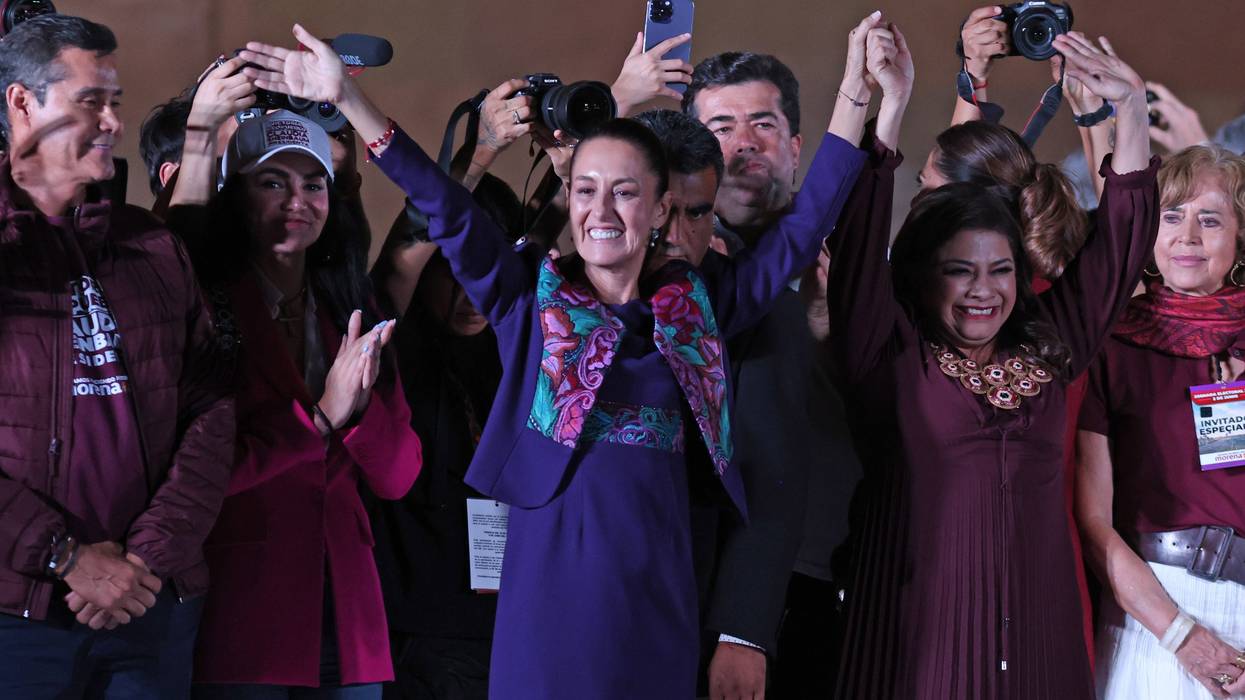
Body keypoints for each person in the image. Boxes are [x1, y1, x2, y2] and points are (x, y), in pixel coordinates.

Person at [236, 17, 870, 697]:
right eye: (586, 188)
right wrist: (350, 103)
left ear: (659, 208)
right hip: (548, 592)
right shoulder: (527, 300)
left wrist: (858, 98)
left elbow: (802, 230)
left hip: (661, 588)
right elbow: (444, 208)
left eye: (624, 191)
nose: (601, 208)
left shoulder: (701, 307)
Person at [827, 31, 1158, 698]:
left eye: (999, 270)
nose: (983, 289)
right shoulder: (890, 350)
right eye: (959, 271)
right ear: (925, 276)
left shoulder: (1049, 341)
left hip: (1040, 638)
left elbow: (1119, 244)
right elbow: (857, 250)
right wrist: (884, 110)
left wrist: (1127, 112)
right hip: (917, 641)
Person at [0, 14, 235, 698]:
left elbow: (211, 408)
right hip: (18, 615)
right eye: (89, 101)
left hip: (149, 608)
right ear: (22, 103)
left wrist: (147, 559)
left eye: (115, 103)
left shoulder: (153, 248)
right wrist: (65, 556)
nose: (110, 123)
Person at [184, 109, 422, 699]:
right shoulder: (203, 312)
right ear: (234, 194)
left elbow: (397, 479)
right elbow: (199, 474)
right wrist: (320, 418)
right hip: (244, 613)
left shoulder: (349, 308)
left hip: (349, 617)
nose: (297, 200)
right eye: (273, 182)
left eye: (313, 184)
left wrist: (359, 409)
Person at [681, 35, 891, 696]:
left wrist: (832, 337)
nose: (742, 142)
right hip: (692, 578)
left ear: (796, 147)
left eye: (762, 124)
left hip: (829, 580)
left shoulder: (856, 270)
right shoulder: (667, 277)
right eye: (719, 126)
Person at [1077, 144, 1245, 698]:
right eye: (1171, 216)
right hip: (1152, 618)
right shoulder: (1111, 344)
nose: (1188, 235)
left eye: (1210, 219)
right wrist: (1181, 636)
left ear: (1240, 237)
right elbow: (1093, 521)